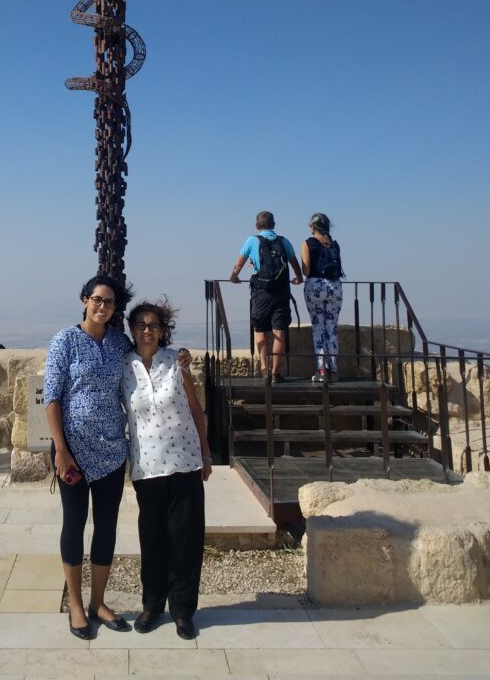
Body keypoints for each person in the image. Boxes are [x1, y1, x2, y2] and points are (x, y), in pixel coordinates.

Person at [44, 273, 133, 639]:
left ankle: (98, 601)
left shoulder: (119, 343)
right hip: (73, 452)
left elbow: (146, 359)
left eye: (109, 302)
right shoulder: (65, 340)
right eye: (97, 299)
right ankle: (76, 605)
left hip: (111, 450)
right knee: (75, 523)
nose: (102, 306)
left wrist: (181, 359)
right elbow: (52, 397)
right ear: (85, 300)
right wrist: (61, 451)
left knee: (107, 525)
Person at [121, 299, 212, 641]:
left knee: (185, 541)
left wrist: (206, 453)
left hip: (185, 463)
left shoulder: (176, 361)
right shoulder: (123, 366)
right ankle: (152, 605)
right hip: (147, 467)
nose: (147, 331)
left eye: (154, 326)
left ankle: (183, 611)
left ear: (162, 331)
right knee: (153, 540)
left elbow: (195, 408)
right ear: (132, 330)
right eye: (141, 325)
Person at [228, 210, 302, 382]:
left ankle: (263, 368)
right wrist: (298, 278)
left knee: (260, 330)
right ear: (274, 225)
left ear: (257, 226)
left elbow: (239, 263)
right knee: (279, 331)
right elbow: (294, 262)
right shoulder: (284, 241)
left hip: (261, 291)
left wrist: (233, 277)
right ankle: (275, 373)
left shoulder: (252, 240)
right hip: (281, 291)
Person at [301, 212, 345, 381]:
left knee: (318, 328)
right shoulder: (334, 244)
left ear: (313, 226)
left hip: (316, 286)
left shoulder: (308, 243)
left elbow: (306, 270)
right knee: (331, 328)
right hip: (335, 286)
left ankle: (322, 371)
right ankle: (333, 370)